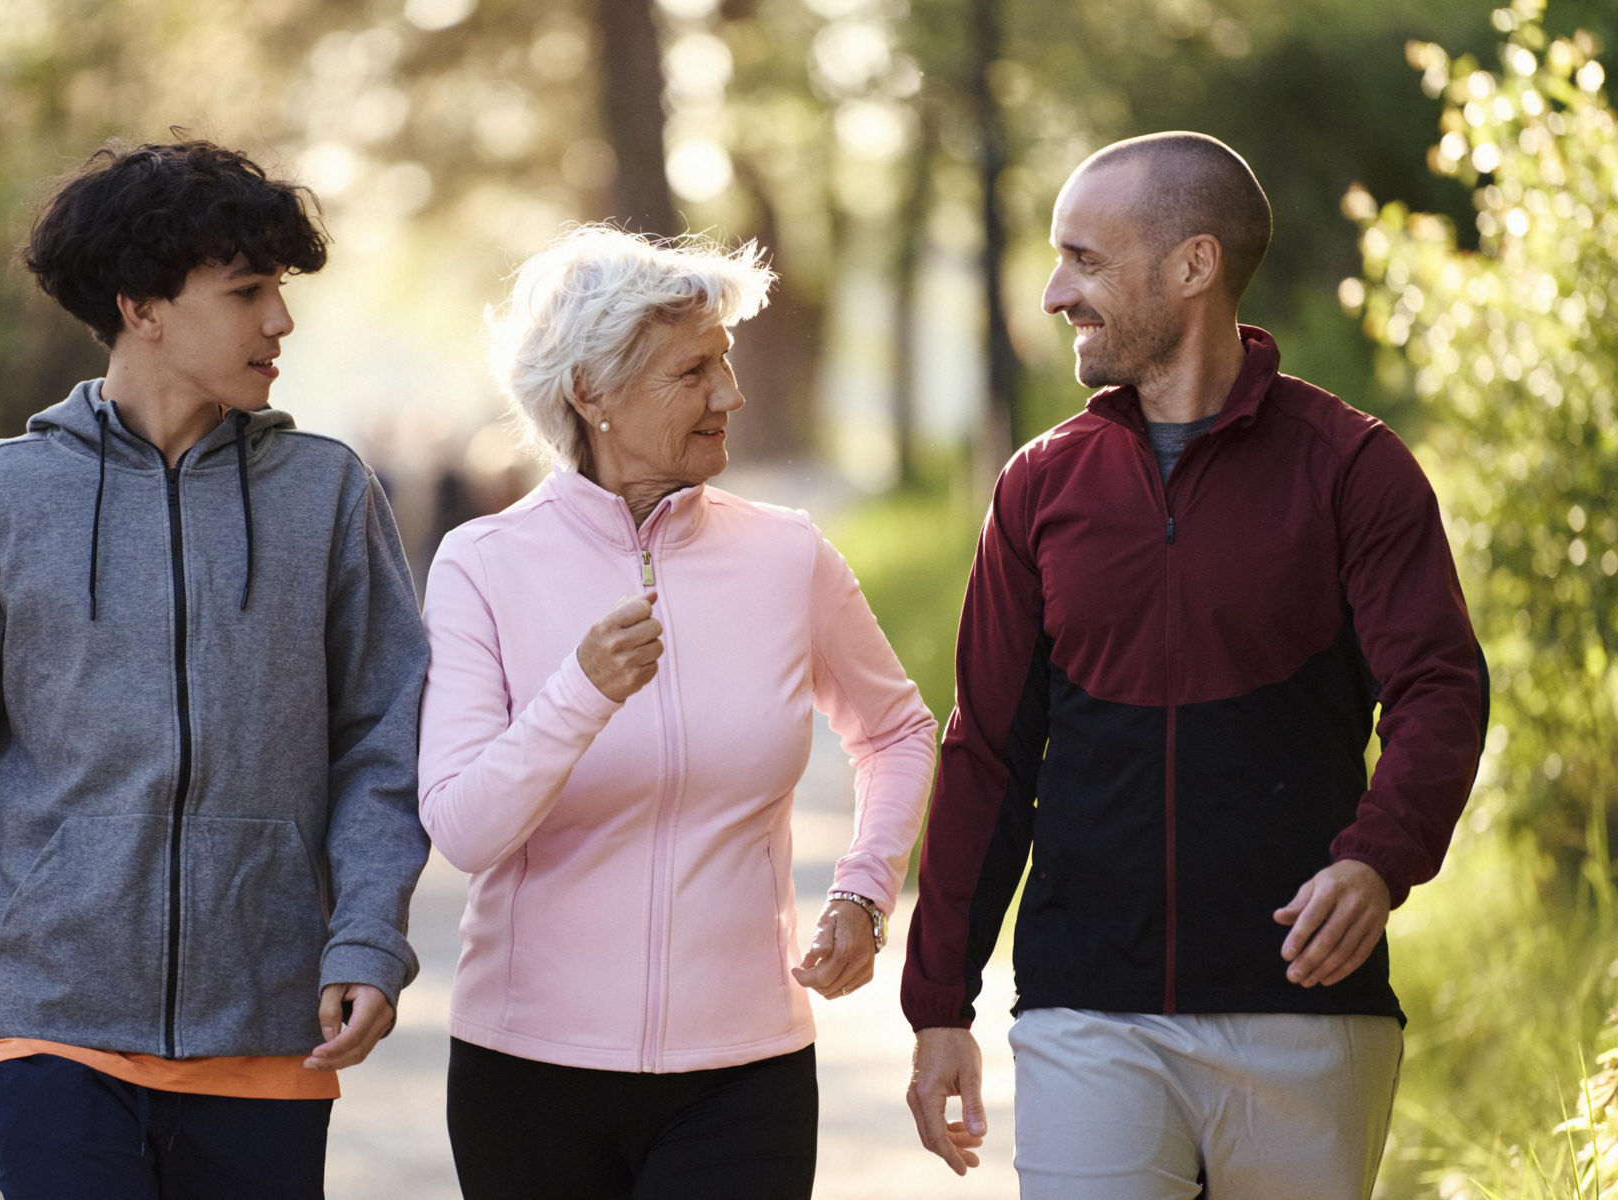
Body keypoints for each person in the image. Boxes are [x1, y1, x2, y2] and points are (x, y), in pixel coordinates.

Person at [902, 131, 1488, 1199]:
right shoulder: (1039, 489)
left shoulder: (1350, 469)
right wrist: (938, 1000)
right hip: (1089, 1012)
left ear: (1191, 266)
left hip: (1305, 1012)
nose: (1051, 294)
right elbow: (986, 751)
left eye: (1082, 260)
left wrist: (1376, 858)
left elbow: (1437, 691)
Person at [0, 139, 430, 1198]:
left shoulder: (326, 497)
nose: (280, 322)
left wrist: (364, 940)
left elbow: (383, 739)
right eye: (247, 291)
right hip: (51, 1016)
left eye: (281, 291)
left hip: (265, 1021)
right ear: (142, 307)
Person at [417, 225, 941, 1199]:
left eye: (727, 364)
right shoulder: (481, 565)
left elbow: (897, 731)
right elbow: (462, 827)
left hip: (741, 1073)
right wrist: (578, 694)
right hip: (529, 1073)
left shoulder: (788, 556)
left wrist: (865, 893)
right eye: (693, 371)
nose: (728, 396)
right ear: (592, 392)